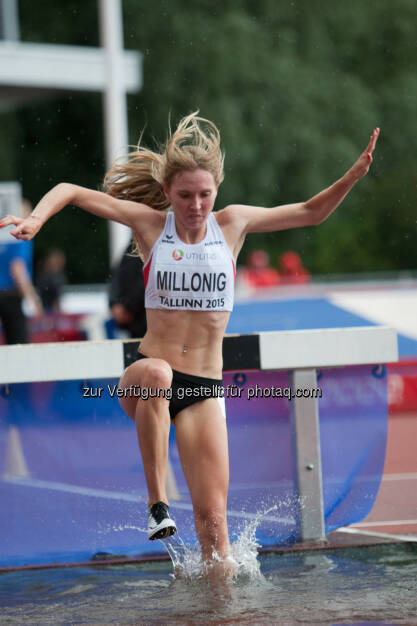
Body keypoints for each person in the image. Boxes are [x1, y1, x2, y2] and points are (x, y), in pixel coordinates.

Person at [0, 113, 379, 581]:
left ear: (216, 190)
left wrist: (351, 176)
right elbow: (72, 191)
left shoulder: (234, 225)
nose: (196, 206)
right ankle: (157, 504)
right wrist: (36, 218)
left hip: (203, 387)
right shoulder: (150, 226)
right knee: (158, 374)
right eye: (185, 196)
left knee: (215, 527)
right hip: (145, 380)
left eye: (205, 195)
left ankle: (215, 605)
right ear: (167, 194)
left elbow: (310, 212)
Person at [0, 201, 43, 344]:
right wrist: (32, 298)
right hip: (11, 296)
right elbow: (17, 268)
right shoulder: (21, 236)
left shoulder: (3, 236)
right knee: (18, 343)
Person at [108, 240, 147, 338]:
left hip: (145, 318)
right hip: (134, 322)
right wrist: (116, 303)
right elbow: (118, 275)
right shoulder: (133, 245)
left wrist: (127, 307)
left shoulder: (157, 243)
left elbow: (148, 281)